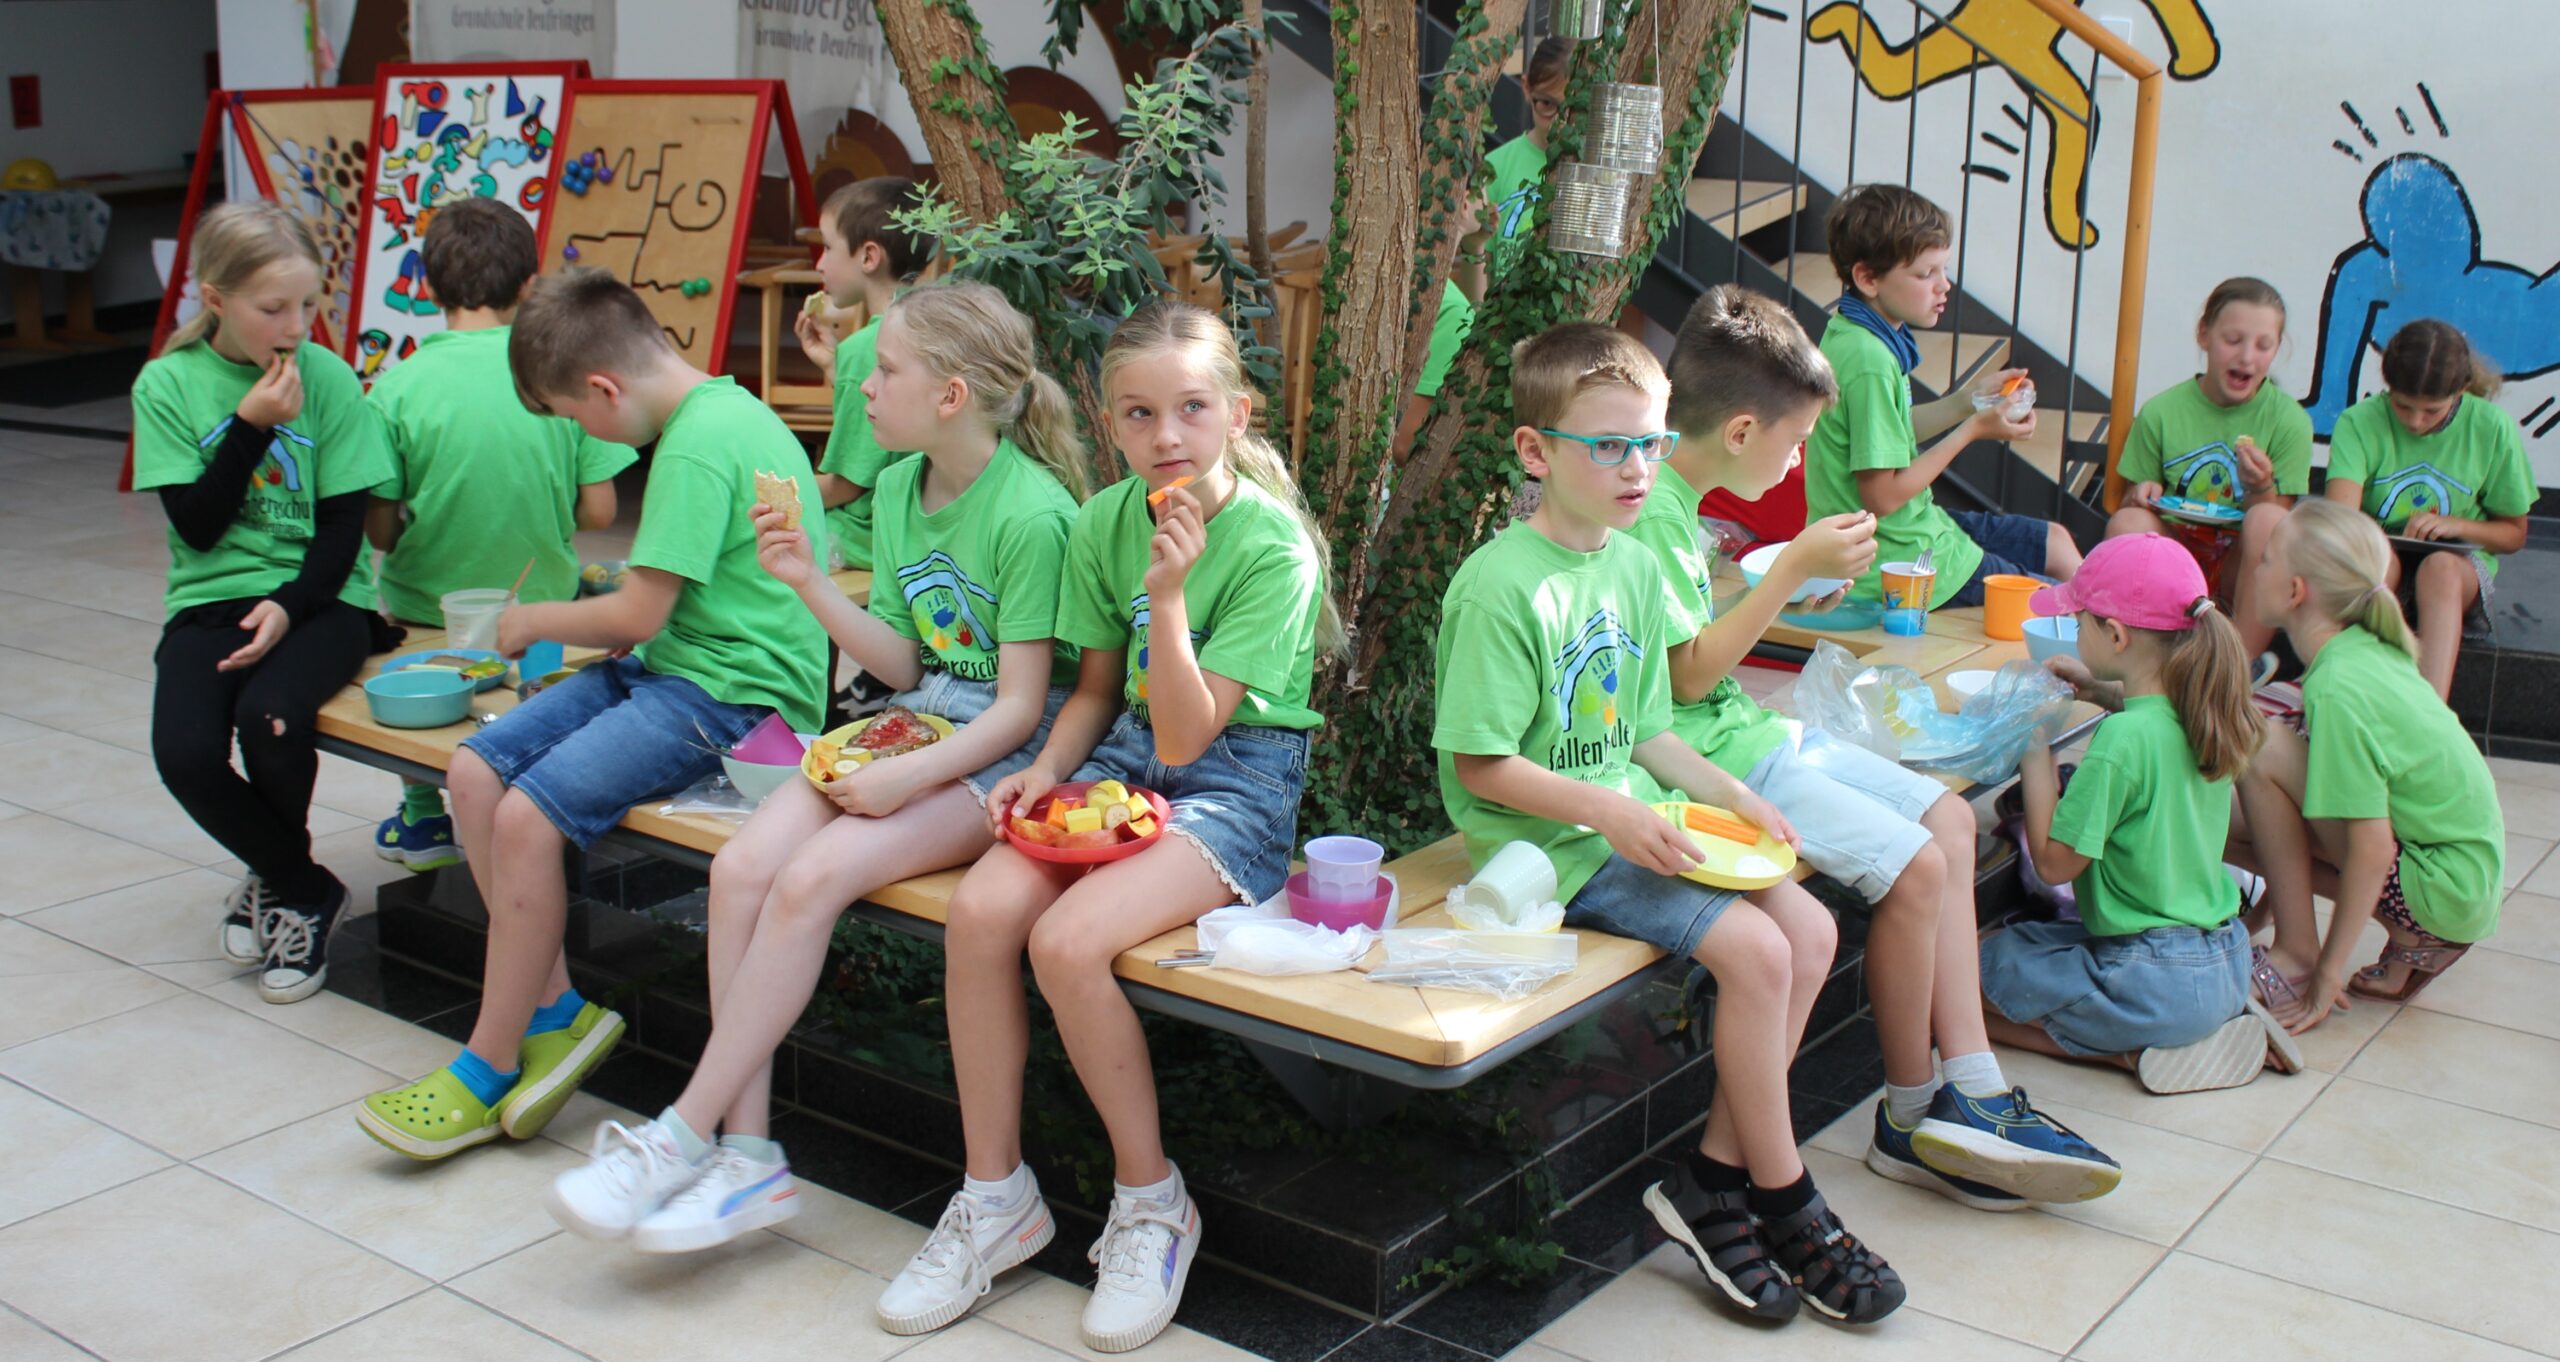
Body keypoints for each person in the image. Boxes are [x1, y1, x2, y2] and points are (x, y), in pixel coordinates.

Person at [543, 282, 1086, 1249]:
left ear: (952, 395)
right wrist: (805, 582)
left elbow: (1017, 708)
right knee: (745, 868)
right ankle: (747, 1159)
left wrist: (906, 778)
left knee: (809, 882)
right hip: (916, 723)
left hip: (1000, 758)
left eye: (885, 370)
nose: (862, 388)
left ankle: (680, 1135)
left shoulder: (1032, 514)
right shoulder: (894, 489)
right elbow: (907, 664)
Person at [876, 301, 1335, 1352]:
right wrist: (1040, 770)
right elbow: (1094, 694)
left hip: (1238, 782)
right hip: (1124, 753)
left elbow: (1187, 734)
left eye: (1190, 408)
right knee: (985, 910)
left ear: (1236, 412)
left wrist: (1167, 598)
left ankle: (1150, 1201)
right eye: (1138, 413)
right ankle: (995, 1199)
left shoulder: (1273, 548)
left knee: (1068, 941)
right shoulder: (1101, 520)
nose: (1165, 434)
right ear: (1107, 418)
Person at [1441, 321, 1904, 1326]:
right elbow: (1480, 762)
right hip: (1552, 848)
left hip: (1634, 817)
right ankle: (1783, 1198)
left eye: (1648, 442)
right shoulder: (1498, 585)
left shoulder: (1630, 568)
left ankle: (1710, 1180)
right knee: (1759, 953)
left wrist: (1725, 789)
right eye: (1606, 445)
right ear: (1536, 452)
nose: (1635, 466)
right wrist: (1608, 809)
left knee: (1813, 929)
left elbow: (1645, 729)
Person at [1637, 284, 2105, 1211]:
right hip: (1713, 756)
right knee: (1922, 865)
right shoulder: (1657, 514)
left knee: (1948, 815)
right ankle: (1912, 1109)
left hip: (1747, 731)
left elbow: (1688, 650)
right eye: (1797, 439)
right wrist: (1794, 573)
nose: (1805, 457)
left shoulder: (1676, 508)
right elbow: (1687, 681)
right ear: (1740, 433)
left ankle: (1967, 1086)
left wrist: (1780, 584)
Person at [354, 269, 829, 1160]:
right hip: (672, 664)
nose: (585, 437)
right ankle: (556, 1009)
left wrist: (532, 621)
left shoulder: (693, 445)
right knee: (471, 770)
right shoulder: (723, 412)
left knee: (529, 817)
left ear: (605, 388)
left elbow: (634, 614)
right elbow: (659, 614)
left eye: (576, 419)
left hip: (734, 694)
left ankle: (488, 1060)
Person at [131, 200, 394, 1004]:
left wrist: (291, 602)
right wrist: (247, 427)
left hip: (325, 600)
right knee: (183, 753)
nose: (296, 326)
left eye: (309, 305)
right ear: (215, 299)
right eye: (273, 308)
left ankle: (279, 889)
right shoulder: (167, 384)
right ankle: (301, 884)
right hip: (211, 599)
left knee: (270, 716)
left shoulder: (328, 375)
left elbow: (347, 522)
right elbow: (198, 529)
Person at [1974, 537, 2292, 1122]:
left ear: (2116, 637)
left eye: (2079, 622)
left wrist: (2034, 750)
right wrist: (2097, 691)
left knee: (1966, 987)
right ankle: (2204, 1028)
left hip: (2151, 980)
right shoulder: (2205, 709)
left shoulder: (2120, 742)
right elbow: (2150, 732)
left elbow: (2053, 865)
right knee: (2022, 949)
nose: (2072, 630)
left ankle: (2133, 1053)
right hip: (2223, 958)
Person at [364, 196, 635, 871]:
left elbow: (381, 529)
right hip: (537, 602)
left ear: (429, 288)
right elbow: (600, 511)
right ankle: (530, 794)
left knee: (427, 703)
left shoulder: (395, 388)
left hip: (428, 602)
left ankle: (426, 817)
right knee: (527, 701)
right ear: (526, 287)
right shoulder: (553, 376)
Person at [2228, 499, 2504, 1027]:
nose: (2253, 568)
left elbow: (2373, 848)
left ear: (2294, 592)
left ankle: (2300, 956)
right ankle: (2335, 941)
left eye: (2264, 560)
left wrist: (2328, 969)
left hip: (2438, 887)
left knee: (2261, 747)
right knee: (2223, 817)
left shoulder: (2339, 684)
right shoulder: (2361, 650)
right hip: (2457, 882)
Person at [1801, 184, 2079, 608]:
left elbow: (1886, 434)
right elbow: (1883, 497)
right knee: (2055, 605)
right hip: (1897, 565)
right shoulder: (1868, 358)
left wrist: (1967, 401)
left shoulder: (1855, 333)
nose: (1943, 286)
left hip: (1917, 533)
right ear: (1868, 278)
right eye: (1925, 274)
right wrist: (1972, 430)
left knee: (2056, 542)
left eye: (1943, 270)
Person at [2321, 319, 2531, 700]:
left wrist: (2456, 525)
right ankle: (2343, 695)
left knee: (2440, 570)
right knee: (2375, 563)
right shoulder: (2359, 422)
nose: (2415, 421)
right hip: (2382, 556)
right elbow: (2341, 522)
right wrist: (2377, 542)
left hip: (2457, 565)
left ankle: (2429, 712)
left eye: (2431, 411)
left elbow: (2514, 534)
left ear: (2462, 391)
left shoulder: (2491, 427)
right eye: (2402, 406)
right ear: (2387, 388)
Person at [2106, 277, 2312, 661]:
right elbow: (2132, 498)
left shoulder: (2289, 421)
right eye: (2233, 340)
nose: (2247, 357)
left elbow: (2273, 526)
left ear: (2277, 350)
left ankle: (2237, 667)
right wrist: (2144, 491)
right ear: (2204, 335)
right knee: (2126, 524)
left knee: (2267, 518)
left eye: (2263, 345)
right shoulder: (2162, 412)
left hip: (2242, 569)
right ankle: (2142, 656)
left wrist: (2261, 485)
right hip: (2178, 558)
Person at [800, 176, 934, 572]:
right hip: (924, 528)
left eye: (826, 247)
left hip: (868, 537)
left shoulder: (868, 347)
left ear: (869, 256)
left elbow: (848, 483)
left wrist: (772, 495)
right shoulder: (936, 323)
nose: (819, 263)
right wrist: (832, 367)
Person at [1482, 35, 1571, 280]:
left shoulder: (1593, 172)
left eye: (1570, 107)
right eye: (1546, 103)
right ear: (1526, 88)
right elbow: (1481, 265)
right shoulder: (1494, 167)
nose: (1557, 121)